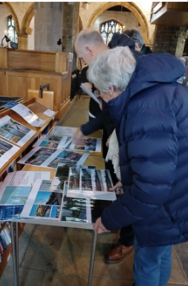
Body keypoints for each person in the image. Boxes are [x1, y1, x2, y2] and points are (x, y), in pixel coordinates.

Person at [89, 46, 188, 286]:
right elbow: (157, 159)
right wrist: (128, 180)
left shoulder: (143, 109)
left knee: (147, 261)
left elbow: (151, 189)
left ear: (111, 88)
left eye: (99, 92)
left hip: (166, 205)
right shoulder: (151, 89)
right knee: (160, 256)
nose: (101, 99)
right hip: (177, 193)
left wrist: (109, 219)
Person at [74, 30, 130, 264]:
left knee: (128, 184)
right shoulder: (107, 72)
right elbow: (109, 110)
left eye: (82, 58)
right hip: (117, 138)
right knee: (116, 180)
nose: (84, 64)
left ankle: (127, 241)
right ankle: (118, 218)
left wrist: (118, 135)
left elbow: (126, 112)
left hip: (127, 142)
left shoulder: (119, 67)